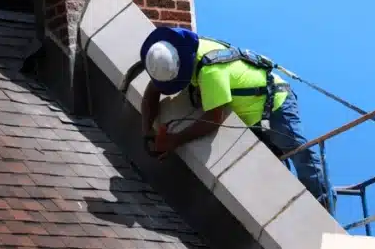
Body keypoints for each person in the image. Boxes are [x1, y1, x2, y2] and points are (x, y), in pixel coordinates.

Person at [138, 25, 329, 207]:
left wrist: (174, 140)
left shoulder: (211, 71)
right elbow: (152, 92)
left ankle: (324, 209)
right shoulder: (180, 52)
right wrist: (146, 131)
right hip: (252, 118)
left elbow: (213, 118)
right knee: (272, 173)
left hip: (276, 104)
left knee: (301, 155)